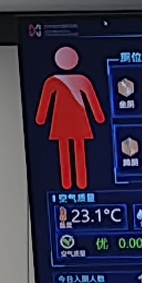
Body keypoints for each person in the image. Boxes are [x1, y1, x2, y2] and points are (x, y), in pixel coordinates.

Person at [34, 47, 107, 190]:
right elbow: (93, 101)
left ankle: (68, 184)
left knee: (66, 150)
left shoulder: (53, 81)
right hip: (78, 120)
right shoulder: (80, 80)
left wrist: (41, 119)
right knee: (78, 149)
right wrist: (99, 117)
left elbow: (44, 104)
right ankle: (80, 183)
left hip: (61, 121)